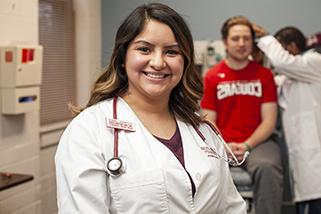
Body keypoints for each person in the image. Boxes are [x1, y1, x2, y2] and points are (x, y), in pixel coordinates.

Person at [55, 3, 246, 213]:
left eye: (171, 52)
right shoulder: (88, 131)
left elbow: (232, 207)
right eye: (144, 49)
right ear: (122, 57)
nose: (158, 62)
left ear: (185, 61)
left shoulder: (203, 131)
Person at [201, 16, 283, 214]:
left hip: (259, 143)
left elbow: (269, 120)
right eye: (236, 38)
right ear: (225, 42)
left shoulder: (264, 75)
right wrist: (223, 146)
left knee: (267, 167)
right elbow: (208, 120)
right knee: (202, 168)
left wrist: (247, 144)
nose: (241, 43)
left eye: (246, 39)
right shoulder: (212, 76)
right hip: (221, 143)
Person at [257, 26, 321, 214]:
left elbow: (282, 62)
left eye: (281, 48)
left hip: (315, 162)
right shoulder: (291, 77)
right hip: (302, 162)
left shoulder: (314, 61)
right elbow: (271, 80)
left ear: (292, 47)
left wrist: (265, 37)